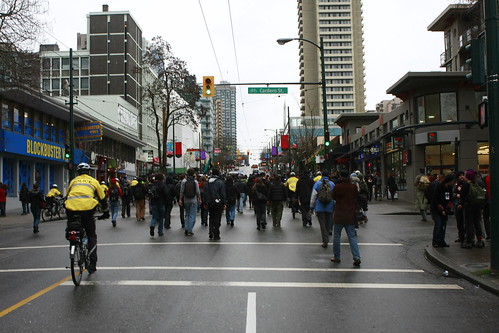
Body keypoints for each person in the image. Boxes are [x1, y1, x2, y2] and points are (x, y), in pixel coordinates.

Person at [65, 162, 109, 273]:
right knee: (91, 235)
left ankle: (73, 245)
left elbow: (67, 196)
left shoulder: (73, 181)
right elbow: (102, 198)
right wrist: (105, 212)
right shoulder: (94, 181)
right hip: (87, 210)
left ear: (78, 172)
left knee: (72, 229)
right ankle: (92, 263)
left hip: (71, 209)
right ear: (89, 172)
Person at [330, 170, 361, 266]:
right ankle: (356, 257)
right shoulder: (353, 187)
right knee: (352, 237)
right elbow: (356, 196)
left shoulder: (337, 187)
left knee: (336, 237)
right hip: (350, 215)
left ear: (340, 176)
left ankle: (337, 256)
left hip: (339, 214)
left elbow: (333, 197)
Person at [310, 170, 335, 248]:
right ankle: (329, 231)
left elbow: (313, 197)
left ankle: (325, 240)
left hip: (319, 207)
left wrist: (311, 207)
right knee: (328, 222)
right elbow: (335, 195)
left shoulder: (317, 184)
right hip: (330, 206)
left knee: (322, 224)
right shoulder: (332, 184)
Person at [461, 170, 485, 248]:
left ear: (467, 177)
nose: (463, 177)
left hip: (469, 206)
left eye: (465, 175)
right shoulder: (477, 183)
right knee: (477, 223)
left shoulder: (466, 185)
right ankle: (479, 240)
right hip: (477, 206)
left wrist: (461, 204)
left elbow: (462, 196)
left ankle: (469, 241)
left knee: (469, 224)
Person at [429, 173, 455, 248]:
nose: (453, 182)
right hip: (436, 209)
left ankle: (441, 241)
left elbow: (450, 199)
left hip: (445, 209)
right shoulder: (439, 186)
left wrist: (448, 207)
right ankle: (436, 241)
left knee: (443, 225)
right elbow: (435, 199)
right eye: (452, 181)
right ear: (449, 180)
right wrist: (441, 209)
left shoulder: (449, 188)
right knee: (438, 225)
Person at [205, 168, 226, 240]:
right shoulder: (220, 182)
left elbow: (205, 193)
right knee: (217, 218)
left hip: (210, 202)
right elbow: (222, 193)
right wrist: (224, 203)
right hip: (218, 202)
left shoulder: (207, 182)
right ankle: (216, 233)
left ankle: (211, 231)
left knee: (211, 217)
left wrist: (206, 202)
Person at [179, 168, 201, 236]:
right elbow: (197, 191)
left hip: (186, 200)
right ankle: (190, 229)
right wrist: (199, 198)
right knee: (192, 215)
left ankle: (186, 227)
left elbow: (181, 191)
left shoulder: (184, 181)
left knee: (187, 214)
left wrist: (180, 199)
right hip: (193, 200)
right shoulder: (195, 181)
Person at [453, 170, 467, 243]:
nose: (461, 176)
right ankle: (461, 236)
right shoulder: (455, 184)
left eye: (462, 175)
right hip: (457, 204)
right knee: (459, 222)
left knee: (465, 222)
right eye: (460, 175)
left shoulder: (466, 183)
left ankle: (466, 237)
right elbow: (453, 192)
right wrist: (456, 195)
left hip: (464, 205)